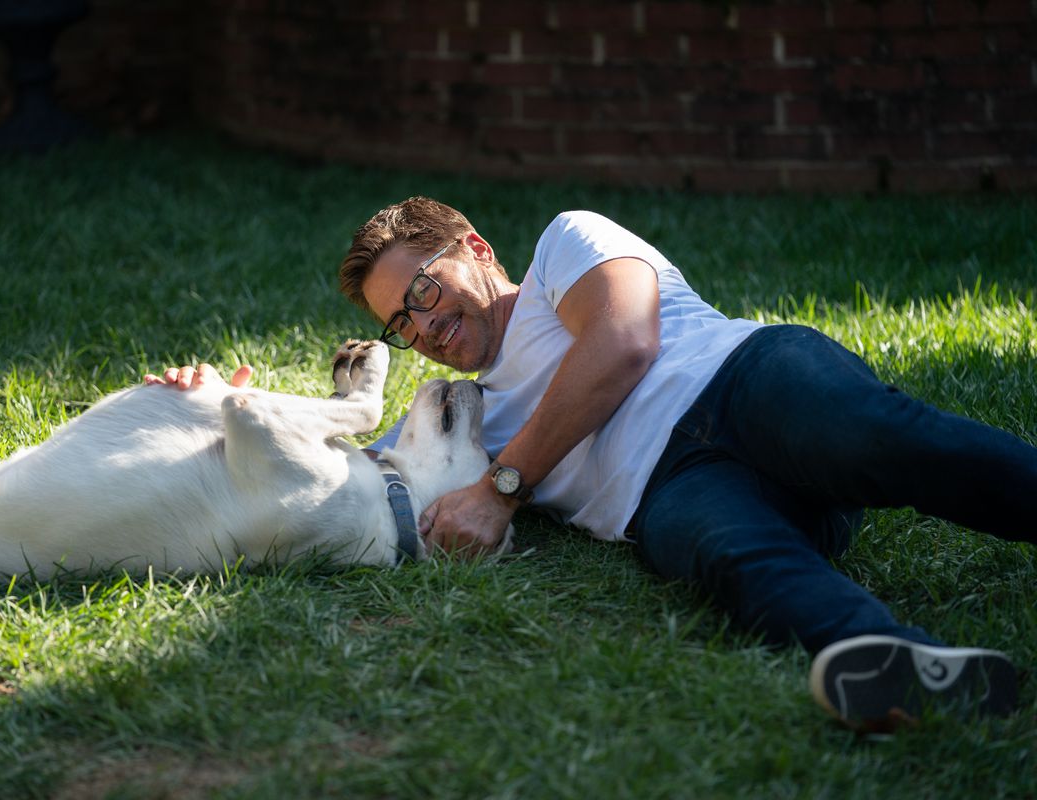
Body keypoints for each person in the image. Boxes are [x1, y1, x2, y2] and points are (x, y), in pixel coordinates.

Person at [333, 195, 1035, 731]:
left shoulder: (565, 245)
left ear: (476, 249)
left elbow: (623, 341)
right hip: (669, 489)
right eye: (400, 323)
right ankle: (905, 669)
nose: (423, 326)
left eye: (421, 291)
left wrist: (501, 488)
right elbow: (352, 475)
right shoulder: (462, 419)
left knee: (886, 440)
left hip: (743, 381)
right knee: (737, 558)